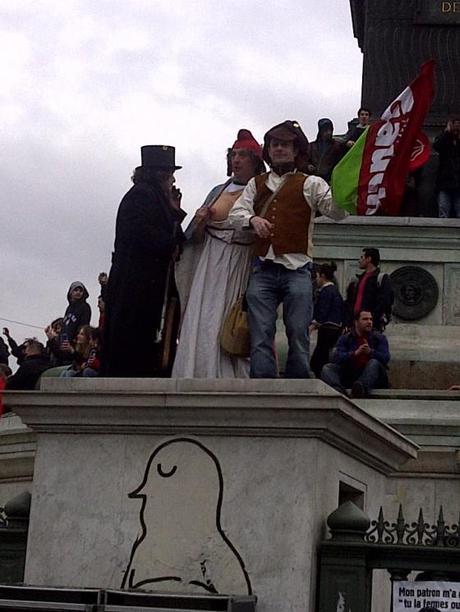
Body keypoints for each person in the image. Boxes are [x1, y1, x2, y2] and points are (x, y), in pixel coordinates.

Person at [229, 120, 347, 378]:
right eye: (275, 145)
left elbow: (338, 212)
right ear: (268, 151)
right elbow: (236, 213)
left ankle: (297, 383)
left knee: (298, 330)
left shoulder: (311, 183)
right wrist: (252, 220)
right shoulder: (256, 184)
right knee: (260, 332)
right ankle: (263, 385)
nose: (280, 149)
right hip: (263, 269)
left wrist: (348, 190)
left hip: (297, 269)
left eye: (285, 145)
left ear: (296, 151)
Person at [172, 130, 265, 378]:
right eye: (234, 154)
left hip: (241, 262)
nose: (236, 160)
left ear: (254, 160)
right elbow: (196, 238)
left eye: (243, 155)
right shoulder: (217, 190)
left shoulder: (262, 189)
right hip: (210, 262)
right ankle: (198, 370)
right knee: (203, 316)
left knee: (233, 320)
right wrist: (200, 221)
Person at [103, 145, 186, 377]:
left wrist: (174, 211)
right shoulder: (142, 195)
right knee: (132, 334)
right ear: (161, 175)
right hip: (136, 282)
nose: (172, 181)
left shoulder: (152, 196)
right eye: (170, 175)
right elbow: (143, 234)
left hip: (145, 282)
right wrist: (170, 242)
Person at [321, 310, 390, 398]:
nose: (369, 322)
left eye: (371, 319)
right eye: (365, 319)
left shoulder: (379, 338)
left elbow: (385, 358)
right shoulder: (345, 338)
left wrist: (370, 352)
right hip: (351, 373)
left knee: (374, 363)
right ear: (356, 322)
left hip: (374, 377)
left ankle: (360, 389)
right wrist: (354, 354)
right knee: (327, 368)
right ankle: (339, 392)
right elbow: (336, 358)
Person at [345, 248, 393, 332]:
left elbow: (384, 302)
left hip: (371, 326)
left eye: (361, 257)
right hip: (355, 325)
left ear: (369, 259)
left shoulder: (382, 279)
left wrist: (370, 319)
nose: (359, 261)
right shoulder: (358, 279)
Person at [310, 261, 344, 378]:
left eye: (317, 276)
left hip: (327, 329)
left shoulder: (326, 291)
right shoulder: (334, 291)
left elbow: (323, 311)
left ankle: (325, 379)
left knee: (318, 361)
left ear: (322, 276)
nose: (316, 279)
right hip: (334, 328)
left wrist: (313, 325)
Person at [433, 117, 460, 218]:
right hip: (445, 182)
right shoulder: (445, 139)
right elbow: (437, 146)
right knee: (443, 209)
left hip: (457, 183)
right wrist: (447, 133)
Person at [59, 282, 92, 364]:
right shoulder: (69, 308)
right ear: (71, 292)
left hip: (76, 345)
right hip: (65, 344)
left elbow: (84, 326)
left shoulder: (85, 307)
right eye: (75, 290)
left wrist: (76, 341)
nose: (78, 292)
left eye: (80, 291)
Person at [307, 119, 346, 183]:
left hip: (330, 179)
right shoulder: (312, 146)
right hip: (313, 178)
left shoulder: (337, 146)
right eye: (325, 130)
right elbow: (306, 159)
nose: (328, 133)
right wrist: (308, 165)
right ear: (321, 132)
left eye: (330, 130)